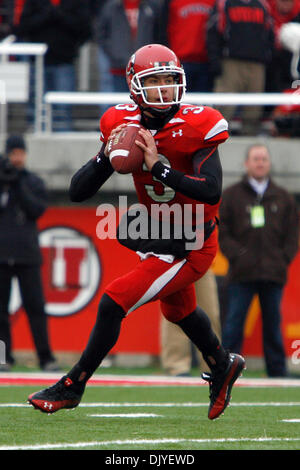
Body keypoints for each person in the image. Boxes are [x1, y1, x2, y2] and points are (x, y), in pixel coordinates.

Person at [27, 43, 245, 420]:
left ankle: (73, 384)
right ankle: (223, 364)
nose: (163, 88)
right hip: (160, 229)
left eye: (169, 79)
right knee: (177, 308)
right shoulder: (120, 122)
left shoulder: (198, 123)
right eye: (154, 80)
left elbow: (211, 189)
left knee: (114, 300)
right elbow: (79, 191)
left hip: (193, 238)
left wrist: (159, 168)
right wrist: (105, 156)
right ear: (134, 86)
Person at [219, 144, 299, 377]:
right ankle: (225, 371)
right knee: (234, 324)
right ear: (247, 163)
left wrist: (282, 259)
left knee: (273, 325)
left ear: (269, 163)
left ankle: (277, 371)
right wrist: (238, 256)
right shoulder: (232, 195)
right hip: (241, 273)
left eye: (263, 159)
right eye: (256, 159)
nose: (260, 163)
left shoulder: (283, 196)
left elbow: (293, 235)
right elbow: (223, 232)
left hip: (273, 273)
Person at [0, 135, 59, 371]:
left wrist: (17, 183)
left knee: (36, 307)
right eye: (13, 153)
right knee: (0, 311)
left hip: (28, 254)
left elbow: (36, 209)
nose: (17, 158)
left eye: (20, 153)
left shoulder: (32, 181)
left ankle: (45, 358)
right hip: (1, 254)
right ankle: (4, 357)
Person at [16, 0, 92, 131]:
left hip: (65, 61)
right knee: (38, 108)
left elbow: (85, 29)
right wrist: (47, 15)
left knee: (63, 110)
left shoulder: (75, 3)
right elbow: (23, 26)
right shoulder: (34, 3)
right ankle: (38, 137)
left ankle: (64, 143)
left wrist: (59, 15)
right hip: (38, 63)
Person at [206, 0, 274, 135]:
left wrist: (267, 56)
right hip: (231, 62)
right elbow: (213, 32)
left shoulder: (262, 5)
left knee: (254, 109)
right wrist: (215, 60)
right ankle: (218, 141)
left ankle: (250, 140)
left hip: (257, 64)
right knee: (224, 107)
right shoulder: (224, 4)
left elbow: (270, 33)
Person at [161, 269, 221, 376]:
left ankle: (214, 363)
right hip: (173, 262)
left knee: (210, 313)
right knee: (174, 313)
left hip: (201, 260)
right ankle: (176, 367)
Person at [97, 0, 162, 93]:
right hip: (118, 67)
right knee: (117, 101)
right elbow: (102, 33)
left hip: (144, 68)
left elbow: (158, 34)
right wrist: (114, 53)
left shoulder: (151, 7)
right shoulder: (112, 7)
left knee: (143, 101)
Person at [160, 0, 216, 92]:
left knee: (204, 102)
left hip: (207, 62)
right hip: (179, 62)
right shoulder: (171, 2)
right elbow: (162, 30)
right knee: (178, 101)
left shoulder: (215, 2)